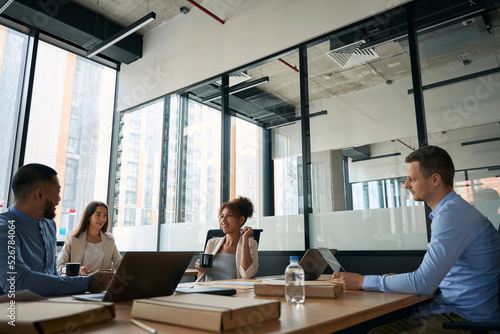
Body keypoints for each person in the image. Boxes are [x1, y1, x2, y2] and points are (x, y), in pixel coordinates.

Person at [333, 146, 500, 333]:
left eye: (412, 179)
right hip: (453, 312)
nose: (406, 185)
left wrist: (362, 281)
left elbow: (423, 283)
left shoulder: (451, 216)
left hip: (464, 320)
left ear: (435, 179)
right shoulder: (455, 211)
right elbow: (436, 278)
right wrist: (400, 281)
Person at [0, 163, 113, 296]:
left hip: (51, 303)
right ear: (40, 194)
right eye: (57, 193)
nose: (59, 200)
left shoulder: (49, 224)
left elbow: (53, 276)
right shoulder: (5, 228)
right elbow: (17, 282)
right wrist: (87, 283)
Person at [195, 196, 259, 281]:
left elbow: (247, 275)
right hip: (207, 291)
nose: (223, 220)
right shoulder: (212, 243)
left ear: (241, 220)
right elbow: (201, 280)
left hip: (231, 292)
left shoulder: (251, 244)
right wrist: (201, 270)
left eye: (229, 216)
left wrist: (245, 239)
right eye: (222, 216)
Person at [57, 201, 121, 275]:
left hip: (102, 284)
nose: (102, 219)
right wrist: (75, 270)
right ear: (88, 217)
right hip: (79, 282)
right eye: (98, 215)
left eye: (105, 215)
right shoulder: (73, 238)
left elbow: (118, 261)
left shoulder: (109, 239)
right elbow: (59, 265)